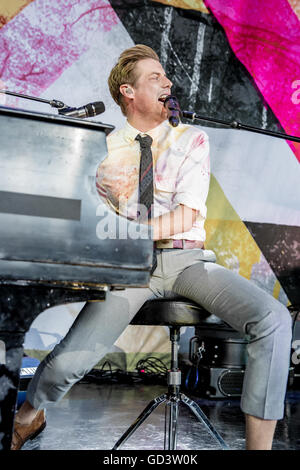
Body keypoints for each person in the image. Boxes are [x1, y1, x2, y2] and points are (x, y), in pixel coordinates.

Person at [11, 45, 292, 451]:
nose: (168, 82)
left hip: (186, 260)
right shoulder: (101, 147)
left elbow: (184, 216)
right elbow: (88, 216)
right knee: (70, 360)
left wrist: (132, 228)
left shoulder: (191, 138)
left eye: (167, 76)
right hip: (128, 267)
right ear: (128, 91)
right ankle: (27, 416)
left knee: (274, 318)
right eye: (155, 77)